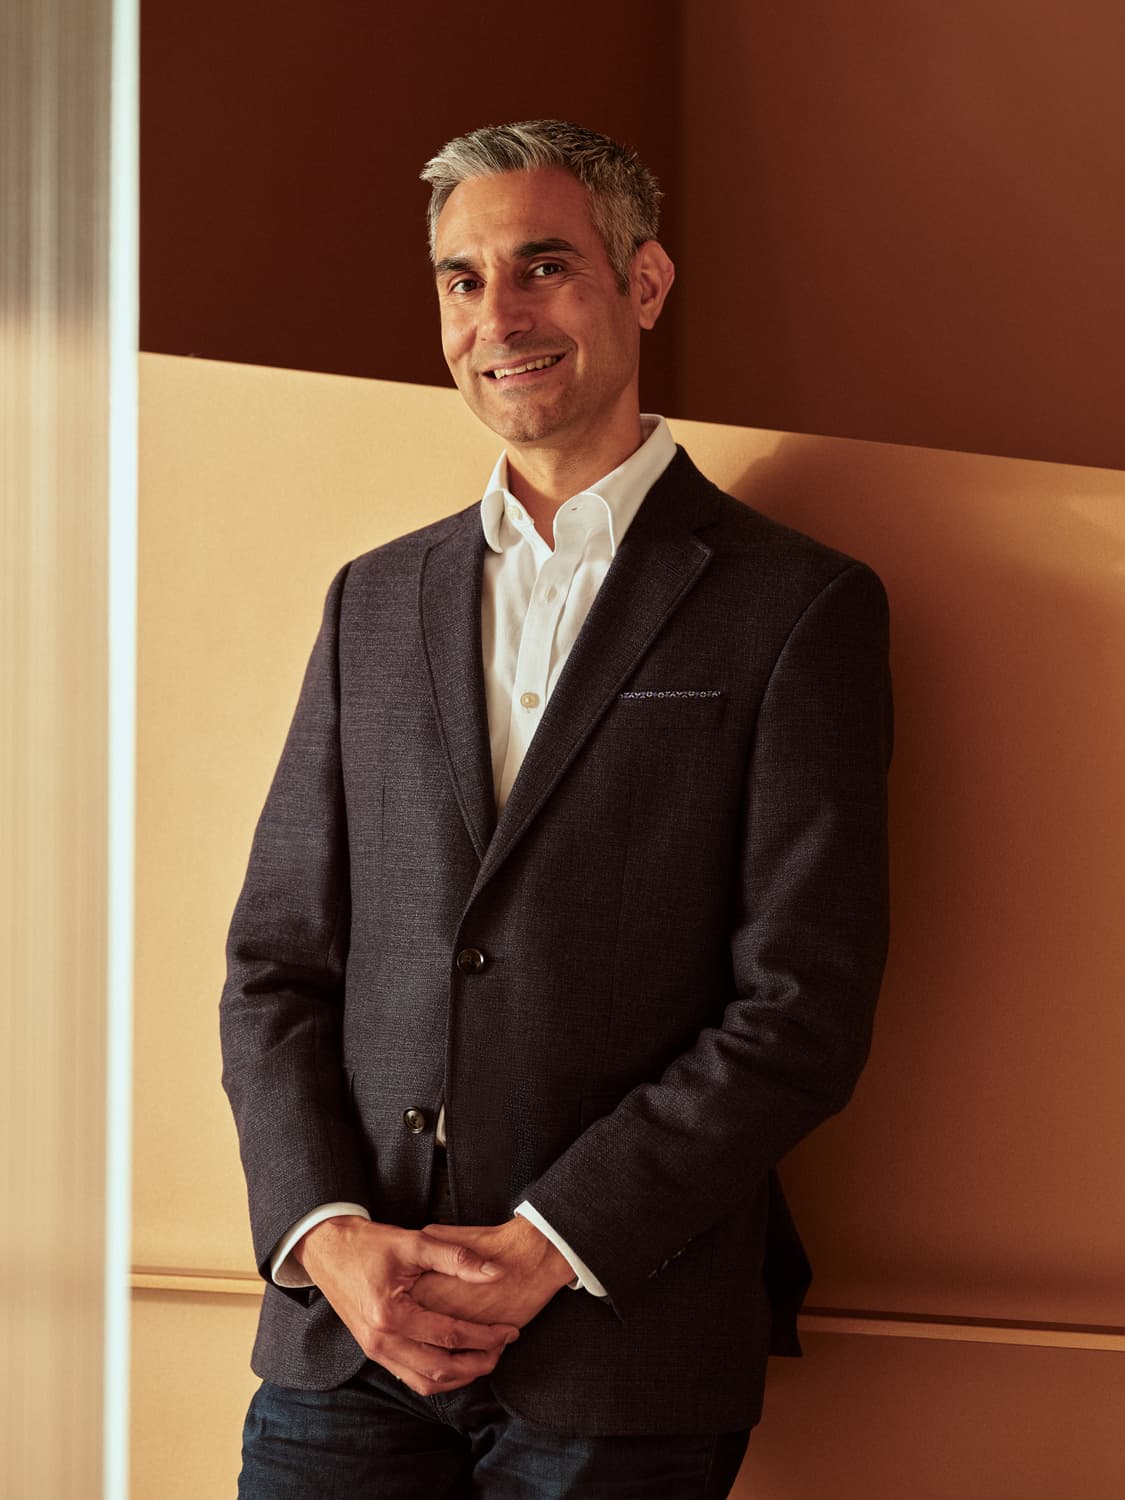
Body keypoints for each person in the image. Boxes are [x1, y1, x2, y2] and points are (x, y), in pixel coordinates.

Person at [220, 118, 892, 1499]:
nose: (497, 315)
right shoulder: (373, 600)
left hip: (618, 1354)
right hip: (343, 1349)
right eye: (460, 280)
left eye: (541, 266)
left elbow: (798, 1009)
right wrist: (330, 1239)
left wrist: (542, 1249)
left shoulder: (796, 607)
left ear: (641, 284)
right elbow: (276, 966)